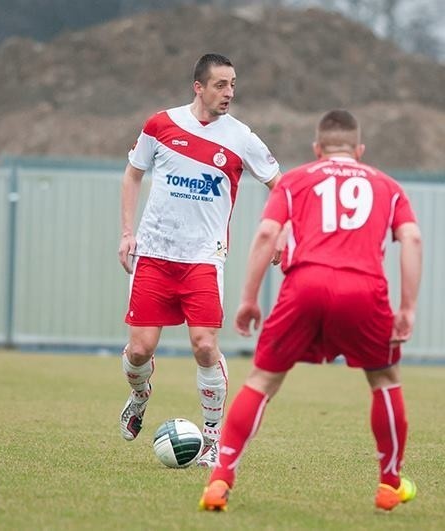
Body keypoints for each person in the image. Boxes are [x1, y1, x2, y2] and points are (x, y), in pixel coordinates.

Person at [198, 109, 423, 511]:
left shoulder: (297, 180)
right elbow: (412, 239)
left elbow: (268, 232)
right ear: (360, 149)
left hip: (305, 286)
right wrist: (407, 307)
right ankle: (389, 485)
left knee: (263, 381)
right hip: (364, 290)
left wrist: (249, 298)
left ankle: (220, 479)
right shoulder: (388, 186)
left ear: (317, 149)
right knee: (386, 381)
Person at [117, 53, 281, 468]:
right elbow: (133, 173)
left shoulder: (242, 138)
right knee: (140, 350)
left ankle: (211, 439)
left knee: (205, 346)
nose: (229, 93)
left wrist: (283, 231)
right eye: (221, 85)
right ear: (199, 87)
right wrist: (127, 233)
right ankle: (139, 397)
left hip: (204, 259)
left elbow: (281, 186)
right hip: (154, 253)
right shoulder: (160, 125)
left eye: (233, 85)